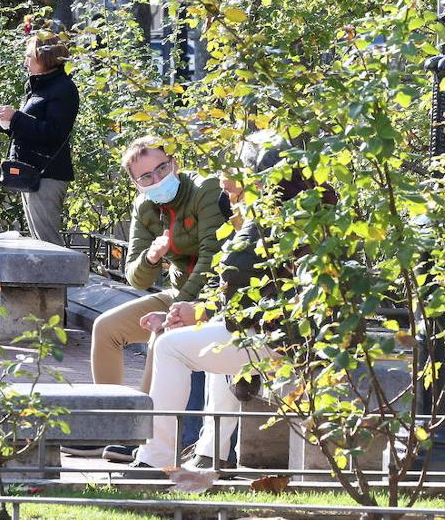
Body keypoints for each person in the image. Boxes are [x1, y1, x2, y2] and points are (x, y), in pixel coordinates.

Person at [129, 133, 314, 472]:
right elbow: (240, 300)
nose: (227, 185)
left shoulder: (258, 230)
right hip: (296, 335)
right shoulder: (306, 210)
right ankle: (213, 453)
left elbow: (233, 305)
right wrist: (195, 313)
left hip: (285, 343)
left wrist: (194, 313)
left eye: (237, 176)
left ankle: (156, 460)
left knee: (172, 347)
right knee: (215, 346)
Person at [83, 135, 229, 462]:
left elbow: (211, 258)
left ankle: (141, 435)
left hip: (212, 299)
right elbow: (135, 277)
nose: (157, 179)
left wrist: (178, 310)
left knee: (158, 336)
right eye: (146, 177)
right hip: (178, 294)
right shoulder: (144, 207)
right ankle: (113, 426)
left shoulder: (203, 190)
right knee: (106, 329)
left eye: (162, 168)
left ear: (174, 163)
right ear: (136, 184)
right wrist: (151, 257)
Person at [0, 31, 79, 244]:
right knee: (41, 239)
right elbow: (32, 127)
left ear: (45, 57)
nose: (25, 62)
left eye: (29, 56)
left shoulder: (63, 88)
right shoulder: (38, 85)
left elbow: (54, 133)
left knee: (48, 241)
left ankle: (63, 277)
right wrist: (8, 124)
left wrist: (16, 118)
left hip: (47, 174)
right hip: (32, 172)